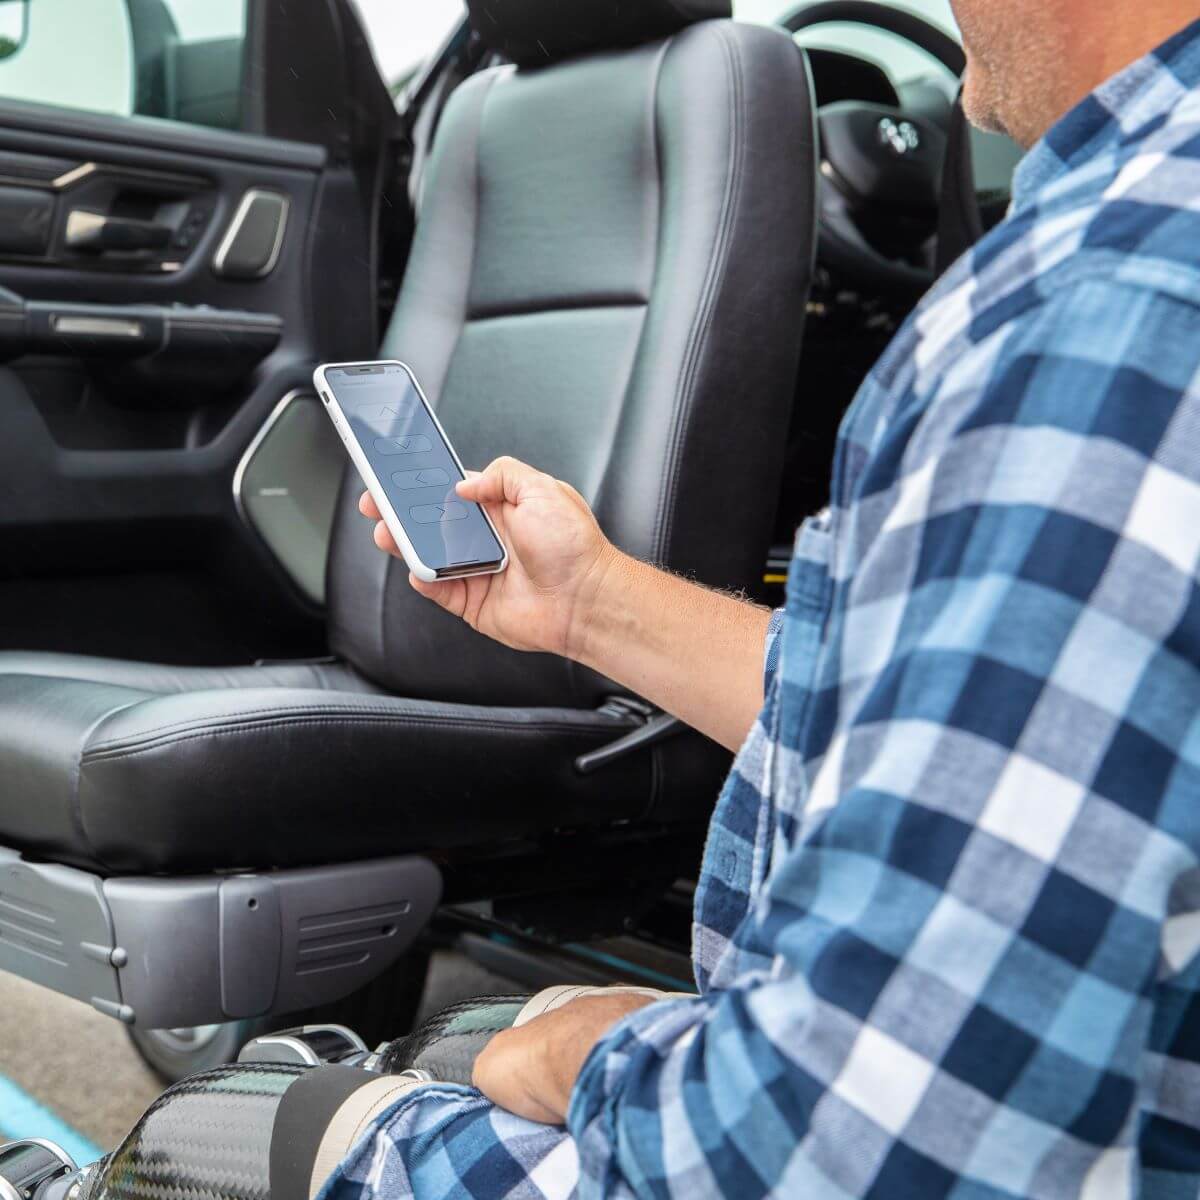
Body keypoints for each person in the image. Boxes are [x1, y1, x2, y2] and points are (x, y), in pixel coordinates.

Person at [332, 1, 1200, 1196]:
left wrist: (598, 1055)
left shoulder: (1109, 313)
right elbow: (951, 717)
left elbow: (862, 1144)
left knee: (265, 1122)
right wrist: (592, 603)